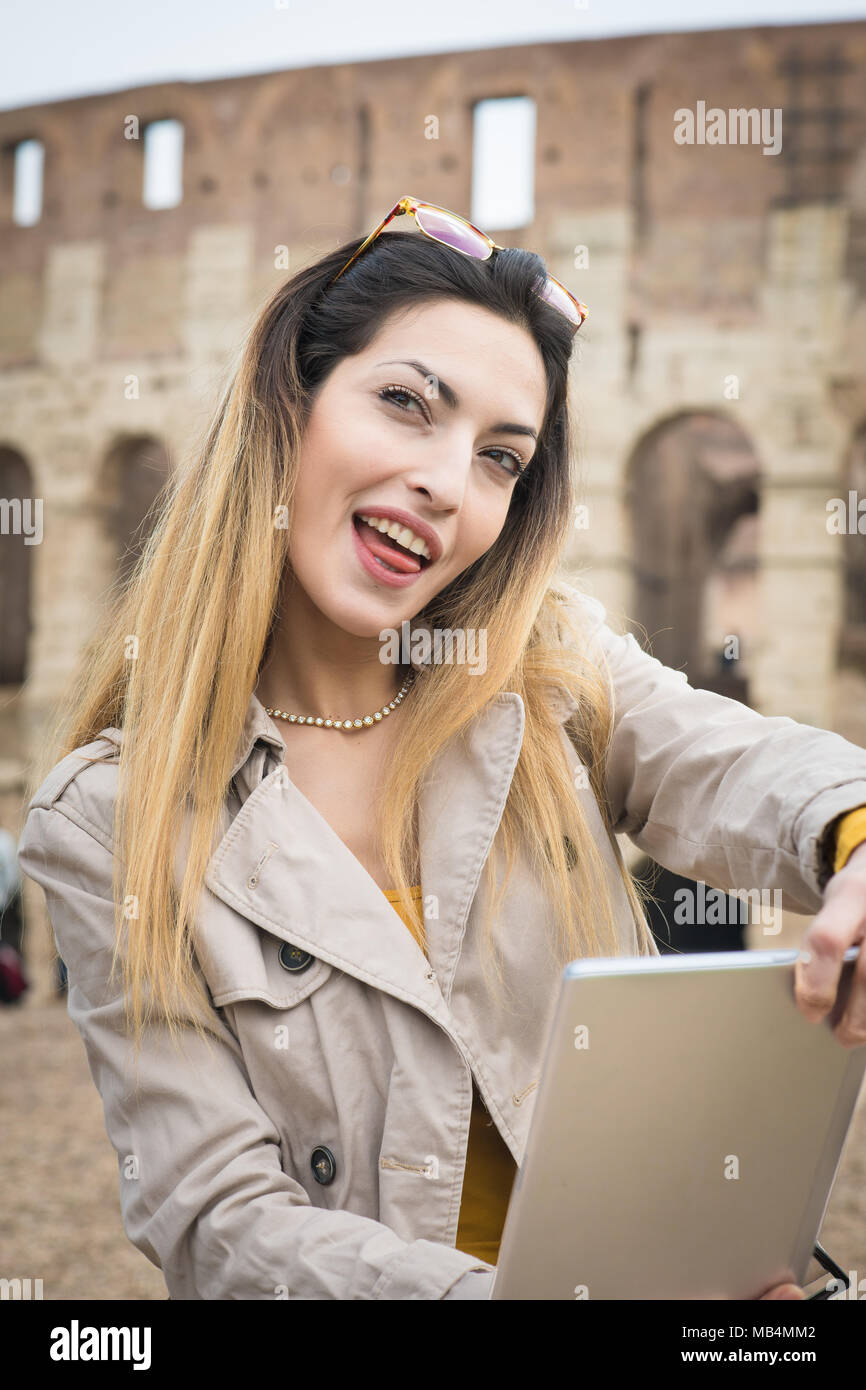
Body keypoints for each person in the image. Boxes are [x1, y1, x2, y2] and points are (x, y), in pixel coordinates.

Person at [16, 195, 866, 1301]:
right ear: (288, 400)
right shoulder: (107, 815)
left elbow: (750, 769)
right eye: (407, 403)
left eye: (500, 460)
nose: (447, 484)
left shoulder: (549, 675)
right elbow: (218, 1224)